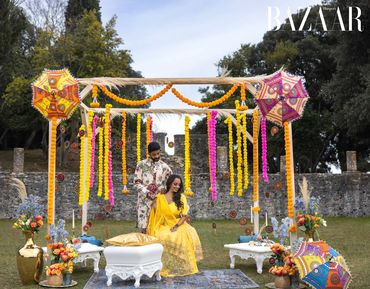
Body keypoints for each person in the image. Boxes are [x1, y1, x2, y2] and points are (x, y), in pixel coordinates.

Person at [147, 174, 203, 277]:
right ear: (169, 184)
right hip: (164, 224)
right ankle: (163, 265)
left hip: (179, 223)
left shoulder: (181, 197)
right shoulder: (161, 197)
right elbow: (155, 211)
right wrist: (154, 199)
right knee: (160, 235)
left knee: (176, 235)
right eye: (175, 184)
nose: (177, 186)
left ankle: (180, 264)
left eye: (179, 185)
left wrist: (176, 226)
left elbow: (184, 215)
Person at [134, 141, 172, 234]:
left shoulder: (165, 167)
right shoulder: (141, 165)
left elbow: (171, 183)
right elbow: (136, 183)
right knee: (144, 228)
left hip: (158, 201)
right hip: (144, 201)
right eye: (154, 154)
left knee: (157, 227)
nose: (156, 156)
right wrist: (146, 191)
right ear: (149, 154)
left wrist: (164, 190)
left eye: (158, 153)